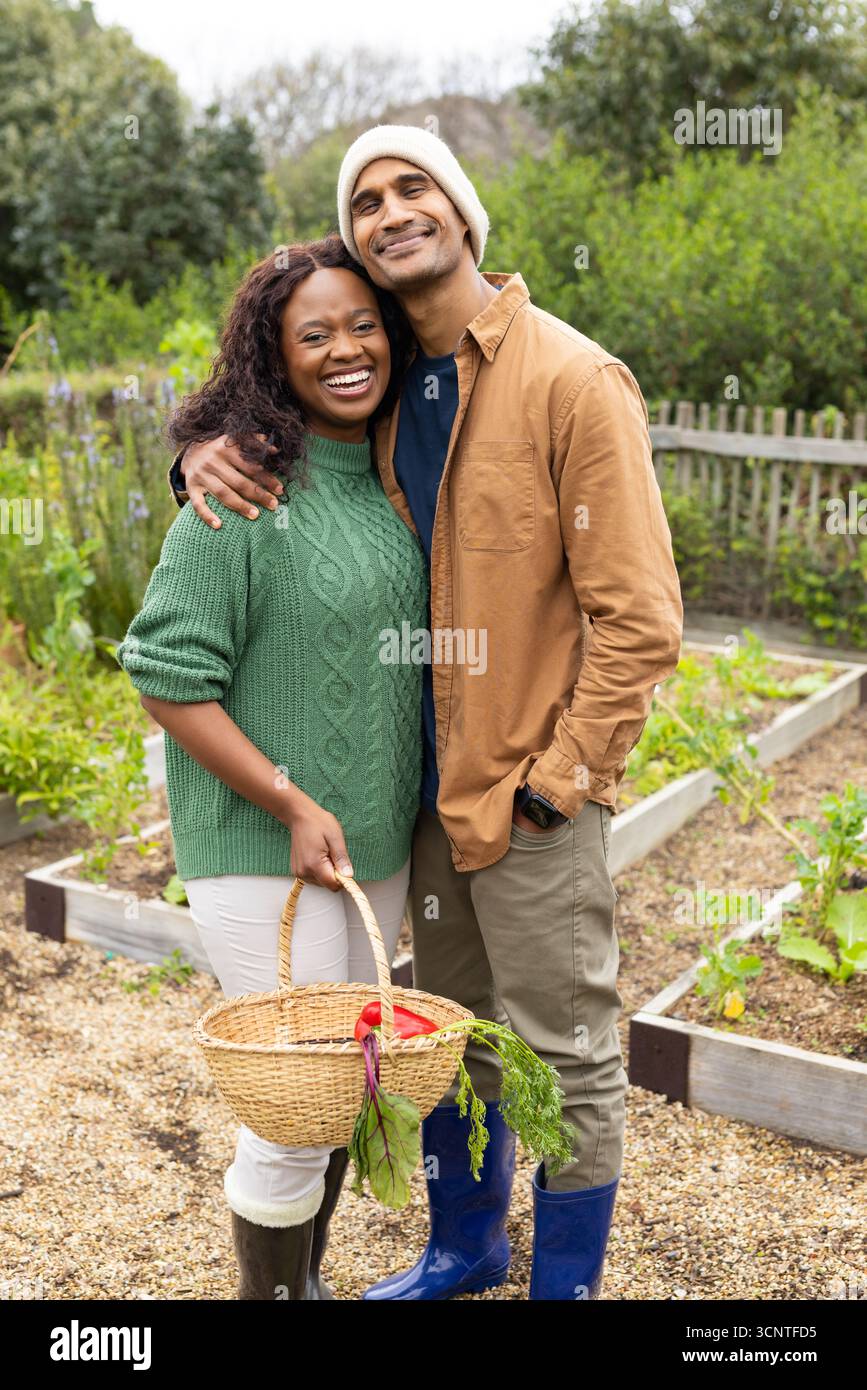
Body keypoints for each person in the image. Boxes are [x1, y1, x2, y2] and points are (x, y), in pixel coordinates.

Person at [167, 125, 685, 1301]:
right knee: (443, 1037)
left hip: (532, 796)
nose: (391, 210)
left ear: (460, 210)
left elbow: (642, 620)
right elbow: (287, 417)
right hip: (423, 810)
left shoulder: (570, 378)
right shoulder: (398, 380)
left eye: (413, 187)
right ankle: (465, 1247)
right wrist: (194, 451)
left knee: (565, 1052)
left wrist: (559, 781)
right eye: (366, 198)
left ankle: (565, 1286)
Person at [117, 235, 428, 1300]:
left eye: (363, 324)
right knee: (294, 1111)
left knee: (350, 1091)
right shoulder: (238, 495)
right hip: (263, 836)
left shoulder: (395, 472)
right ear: (274, 354)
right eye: (314, 334)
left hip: (376, 839)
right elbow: (163, 674)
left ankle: (304, 1286)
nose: (345, 348)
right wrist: (290, 799)